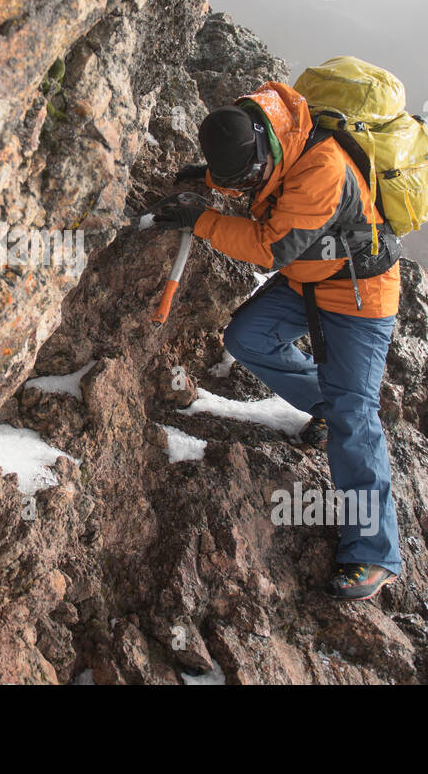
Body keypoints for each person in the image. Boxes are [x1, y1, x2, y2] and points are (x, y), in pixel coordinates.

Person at [152, 82, 403, 601]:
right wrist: (210, 181)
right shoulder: (270, 136)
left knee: (354, 414)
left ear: (265, 148)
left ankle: (374, 554)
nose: (242, 185)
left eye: (244, 175)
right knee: (248, 337)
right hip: (314, 278)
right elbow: (266, 186)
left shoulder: (323, 169)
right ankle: (323, 405)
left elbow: (269, 247)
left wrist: (202, 219)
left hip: (359, 293)